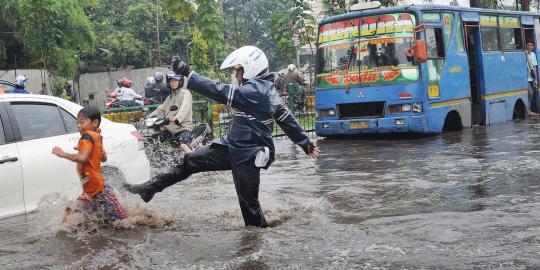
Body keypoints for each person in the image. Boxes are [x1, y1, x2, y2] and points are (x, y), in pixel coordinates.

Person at [124, 46, 320, 228]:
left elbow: (219, 91)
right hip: (232, 147)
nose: (236, 74)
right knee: (190, 160)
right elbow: (288, 120)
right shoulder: (266, 90)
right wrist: (305, 143)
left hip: (248, 156)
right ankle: (149, 188)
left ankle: (257, 246)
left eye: (239, 70)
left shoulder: (255, 91)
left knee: (250, 209)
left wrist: (189, 73)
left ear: (251, 68)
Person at [52, 106, 127, 223]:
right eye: (77, 122)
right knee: (72, 214)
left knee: (124, 222)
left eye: (82, 122)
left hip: (99, 190)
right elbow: (104, 158)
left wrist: (62, 153)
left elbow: (82, 158)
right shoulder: (95, 137)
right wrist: (93, 146)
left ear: (95, 122)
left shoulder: (87, 137)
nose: (78, 126)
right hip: (90, 191)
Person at [144, 71, 193, 153]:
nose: (173, 83)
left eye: (175, 81)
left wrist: (177, 118)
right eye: (171, 81)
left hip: (183, 127)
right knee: (153, 140)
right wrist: (147, 117)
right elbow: (161, 109)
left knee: (183, 146)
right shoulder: (170, 96)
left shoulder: (185, 93)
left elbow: (185, 107)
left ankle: (193, 163)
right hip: (170, 129)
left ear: (180, 81)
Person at [525, 41, 539, 116]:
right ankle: (528, 110)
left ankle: (529, 110)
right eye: (528, 45)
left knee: (531, 94)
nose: (530, 46)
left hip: (531, 77)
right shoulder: (523, 54)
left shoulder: (533, 55)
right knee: (529, 93)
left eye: (531, 45)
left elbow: (534, 67)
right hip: (525, 77)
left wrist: (536, 79)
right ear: (526, 46)